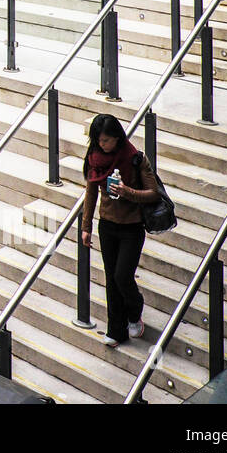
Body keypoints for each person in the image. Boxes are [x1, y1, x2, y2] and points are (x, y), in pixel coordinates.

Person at [80, 113, 160, 347]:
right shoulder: (95, 158)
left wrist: (128, 192)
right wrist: (86, 227)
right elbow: (91, 192)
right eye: (98, 140)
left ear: (116, 138)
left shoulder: (134, 158)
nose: (101, 145)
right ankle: (116, 330)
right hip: (107, 225)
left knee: (122, 276)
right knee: (111, 279)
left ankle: (134, 312)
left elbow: (153, 193)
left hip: (132, 226)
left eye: (105, 140)